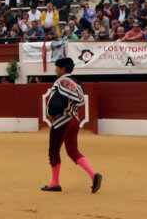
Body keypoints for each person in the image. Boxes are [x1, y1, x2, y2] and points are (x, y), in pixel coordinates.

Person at [41, 57, 102, 194]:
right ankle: (93, 175)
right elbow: (80, 101)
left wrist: (51, 114)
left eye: (57, 67)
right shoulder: (76, 82)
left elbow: (56, 103)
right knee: (73, 151)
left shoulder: (61, 82)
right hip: (74, 119)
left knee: (54, 150)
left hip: (62, 120)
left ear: (63, 69)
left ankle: (55, 183)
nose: (55, 70)